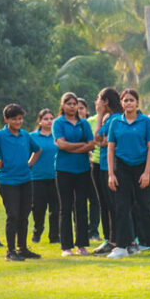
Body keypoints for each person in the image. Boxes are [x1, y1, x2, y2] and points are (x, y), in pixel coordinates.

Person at [106, 88, 150, 259]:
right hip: (122, 167)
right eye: (125, 100)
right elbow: (111, 148)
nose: (128, 103)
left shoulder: (146, 122)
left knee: (146, 206)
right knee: (122, 207)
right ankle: (121, 247)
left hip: (141, 166)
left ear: (137, 103)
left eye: (131, 100)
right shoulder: (115, 123)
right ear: (121, 103)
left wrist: (147, 172)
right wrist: (111, 174)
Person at [0, 103, 42, 261]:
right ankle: (10, 251)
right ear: (6, 119)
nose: (18, 122)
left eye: (20, 119)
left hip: (26, 180)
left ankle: (22, 248)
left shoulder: (25, 135)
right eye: (14, 119)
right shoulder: (0, 135)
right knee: (13, 215)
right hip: (7, 181)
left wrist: (30, 164)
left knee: (24, 215)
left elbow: (38, 150)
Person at [53, 92, 94, 256]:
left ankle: (82, 244)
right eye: (68, 103)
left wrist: (75, 147)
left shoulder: (84, 123)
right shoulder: (58, 123)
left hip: (83, 169)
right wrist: (81, 146)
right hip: (64, 169)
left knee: (82, 207)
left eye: (74, 103)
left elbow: (91, 144)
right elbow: (61, 145)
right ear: (62, 105)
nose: (72, 106)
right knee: (65, 207)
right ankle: (66, 246)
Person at [92, 87, 123, 255]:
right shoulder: (112, 118)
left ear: (105, 102)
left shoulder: (113, 119)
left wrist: (98, 115)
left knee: (110, 204)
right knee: (106, 204)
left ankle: (114, 240)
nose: (96, 102)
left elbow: (97, 137)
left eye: (99, 99)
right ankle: (111, 238)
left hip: (109, 167)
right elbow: (100, 141)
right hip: (103, 164)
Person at [30, 109, 60, 245]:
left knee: (56, 209)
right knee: (38, 208)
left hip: (56, 177)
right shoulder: (32, 137)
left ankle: (54, 236)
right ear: (39, 121)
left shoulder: (58, 136)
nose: (49, 121)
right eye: (46, 118)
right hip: (37, 178)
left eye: (51, 118)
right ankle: (37, 231)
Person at [79, 97, 102, 241]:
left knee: (95, 199)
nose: (78, 110)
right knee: (79, 200)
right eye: (76, 107)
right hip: (77, 167)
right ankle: (80, 230)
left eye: (81, 108)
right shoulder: (69, 126)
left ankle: (93, 230)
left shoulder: (93, 121)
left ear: (86, 110)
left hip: (94, 165)